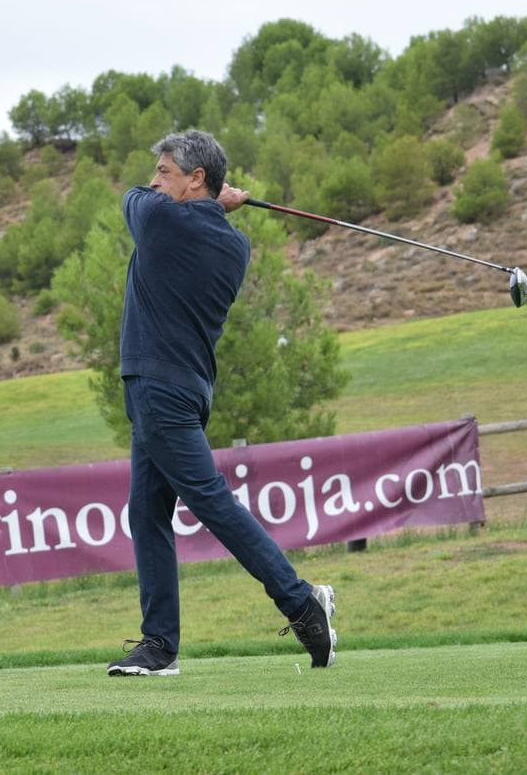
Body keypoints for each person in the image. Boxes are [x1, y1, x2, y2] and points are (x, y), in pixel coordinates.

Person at [107, 129, 336, 677]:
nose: (154, 182)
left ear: (195, 179)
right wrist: (219, 206)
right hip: (181, 386)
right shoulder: (234, 243)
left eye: (165, 172)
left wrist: (206, 201)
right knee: (147, 511)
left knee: (210, 501)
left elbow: (131, 200)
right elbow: (189, 213)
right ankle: (158, 645)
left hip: (159, 388)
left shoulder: (160, 219)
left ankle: (300, 601)